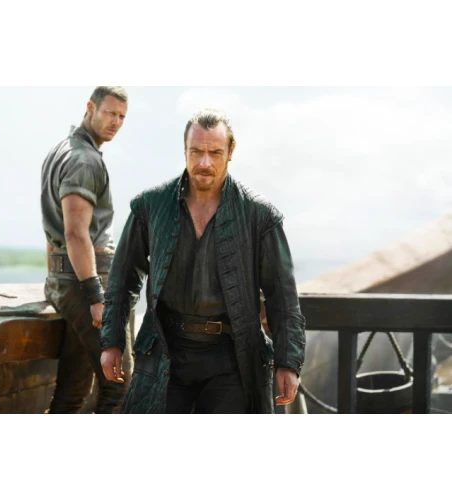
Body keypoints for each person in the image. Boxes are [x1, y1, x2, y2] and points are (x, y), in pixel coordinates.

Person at [99, 107, 306, 416]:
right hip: (166, 350)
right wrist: (112, 342)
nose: (204, 163)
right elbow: (122, 279)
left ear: (231, 152)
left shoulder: (260, 216)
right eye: (196, 152)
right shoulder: (150, 206)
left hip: (232, 358)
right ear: (185, 150)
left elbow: (283, 296)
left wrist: (289, 362)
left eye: (214, 153)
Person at [41, 85, 133, 415]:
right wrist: (96, 297)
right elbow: (75, 233)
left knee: (74, 389)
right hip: (87, 284)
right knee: (121, 385)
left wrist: (57, 281)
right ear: (90, 108)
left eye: (122, 116)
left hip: (68, 281)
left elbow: (56, 232)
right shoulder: (84, 160)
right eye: (109, 113)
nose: (116, 122)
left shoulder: (62, 149)